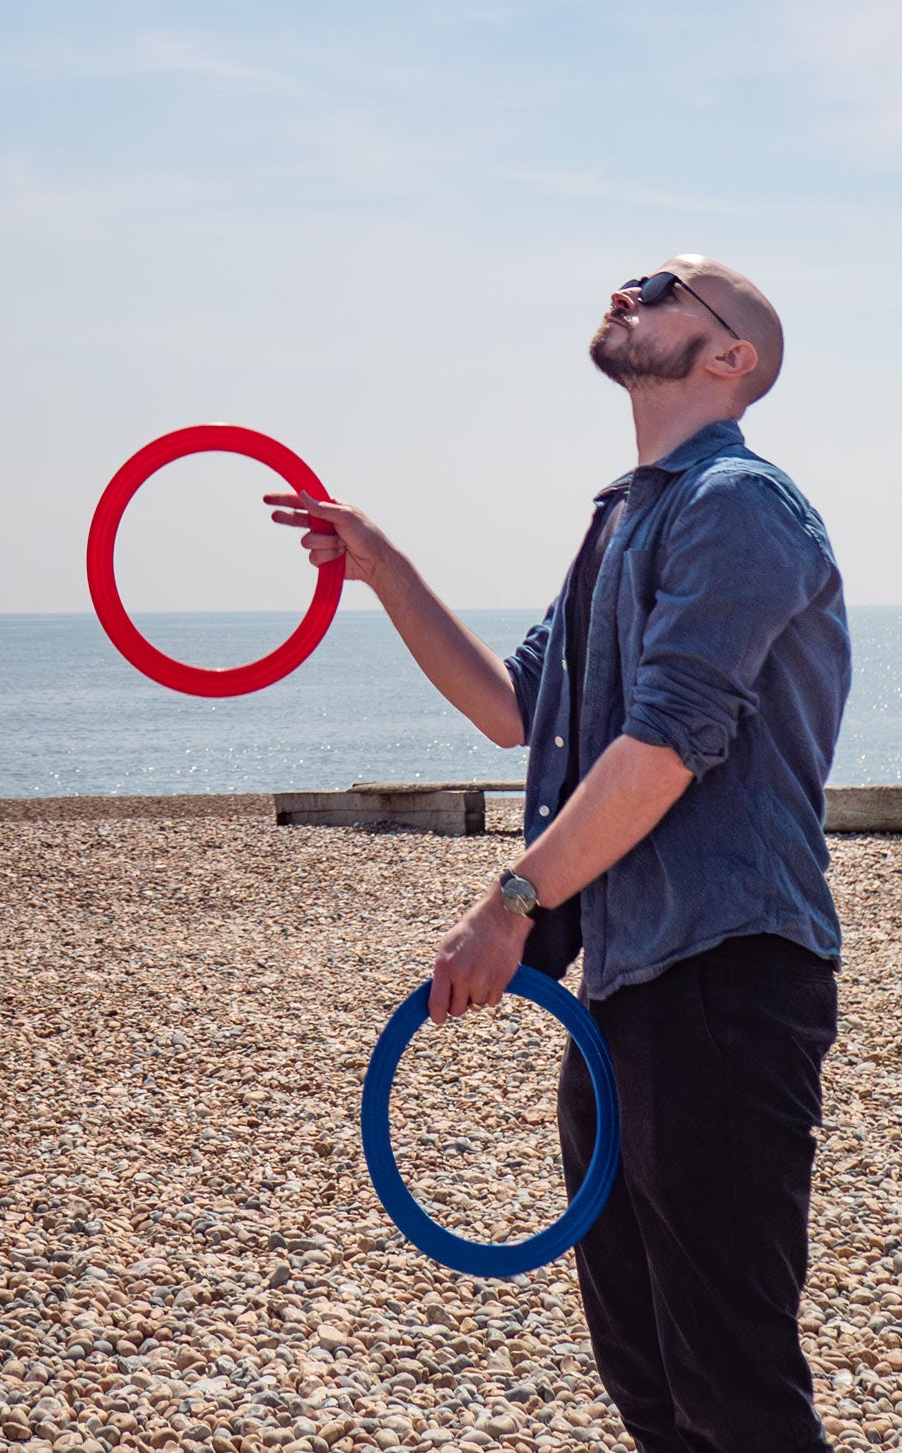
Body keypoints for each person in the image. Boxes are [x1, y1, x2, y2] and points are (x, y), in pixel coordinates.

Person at [266, 257, 850, 1453]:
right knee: (651, 1388)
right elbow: (509, 706)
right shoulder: (623, 515)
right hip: (628, 984)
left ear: (728, 355)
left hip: (729, 981)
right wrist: (381, 567)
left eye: (664, 284)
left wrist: (512, 900)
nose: (626, 290)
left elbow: (664, 744)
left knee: (734, 1392)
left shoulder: (735, 504)